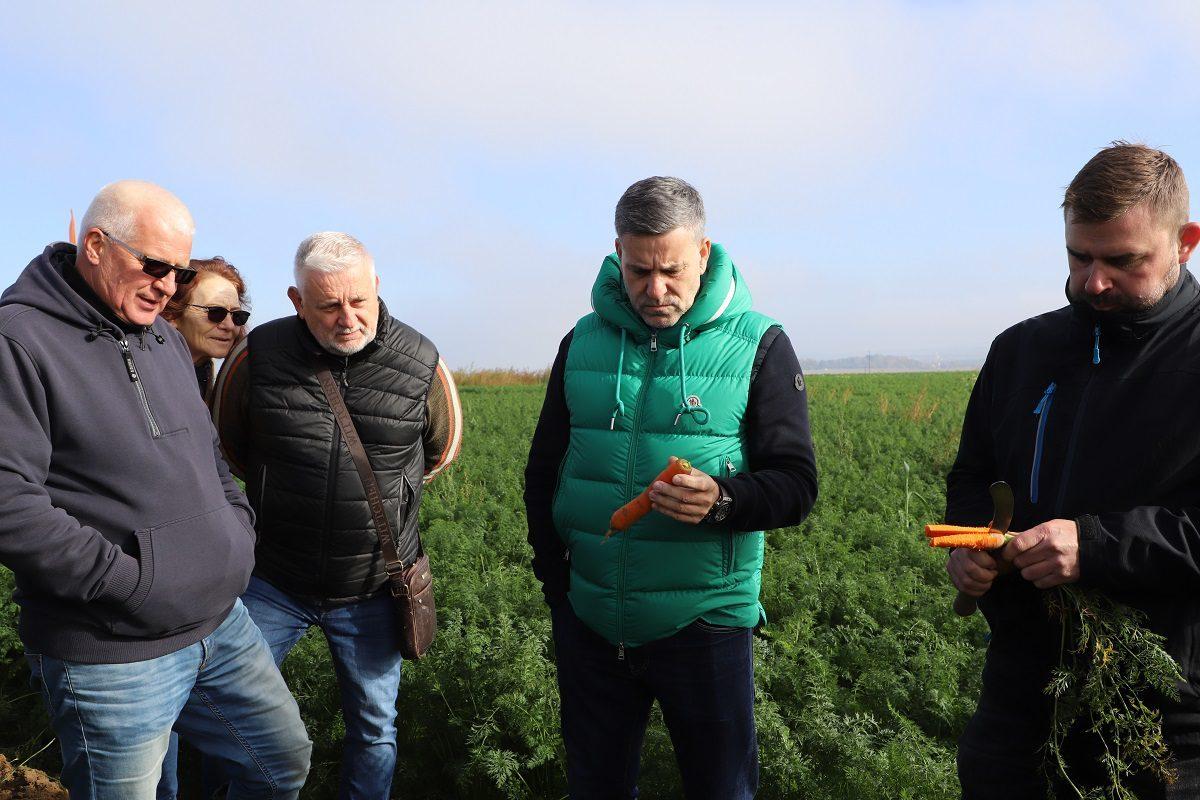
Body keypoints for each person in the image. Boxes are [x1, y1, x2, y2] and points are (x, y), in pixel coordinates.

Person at [0, 180, 311, 799]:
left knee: (281, 764)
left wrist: (235, 534)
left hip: (220, 625)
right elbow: (10, 501)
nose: (169, 286)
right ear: (95, 245)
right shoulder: (19, 340)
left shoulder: (164, 339)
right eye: (154, 265)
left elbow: (208, 457)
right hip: (111, 652)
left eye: (180, 271)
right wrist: (129, 583)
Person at [524, 176, 818, 798]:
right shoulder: (582, 343)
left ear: (703, 253)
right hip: (592, 621)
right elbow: (543, 471)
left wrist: (724, 500)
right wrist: (560, 588)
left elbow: (796, 485)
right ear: (618, 253)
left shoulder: (760, 345)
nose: (655, 290)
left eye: (671, 270)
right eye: (638, 271)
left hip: (705, 623)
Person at [944, 142, 1200, 798]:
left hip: (1168, 715)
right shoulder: (1020, 350)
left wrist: (1095, 546)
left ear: (1185, 243)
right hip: (1021, 695)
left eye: (1123, 260)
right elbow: (973, 475)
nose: (1094, 282)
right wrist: (970, 543)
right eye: (1079, 257)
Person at [211, 231, 462, 800]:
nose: (348, 318)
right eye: (328, 306)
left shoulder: (423, 361)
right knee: (231, 710)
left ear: (377, 287)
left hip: (373, 585)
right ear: (297, 301)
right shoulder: (258, 355)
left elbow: (440, 452)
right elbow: (228, 445)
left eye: (358, 300)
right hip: (273, 578)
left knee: (374, 728)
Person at [161, 256, 251, 401]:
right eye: (215, 313)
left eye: (237, 316)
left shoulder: (230, 387)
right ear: (171, 314)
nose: (229, 326)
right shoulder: (144, 377)